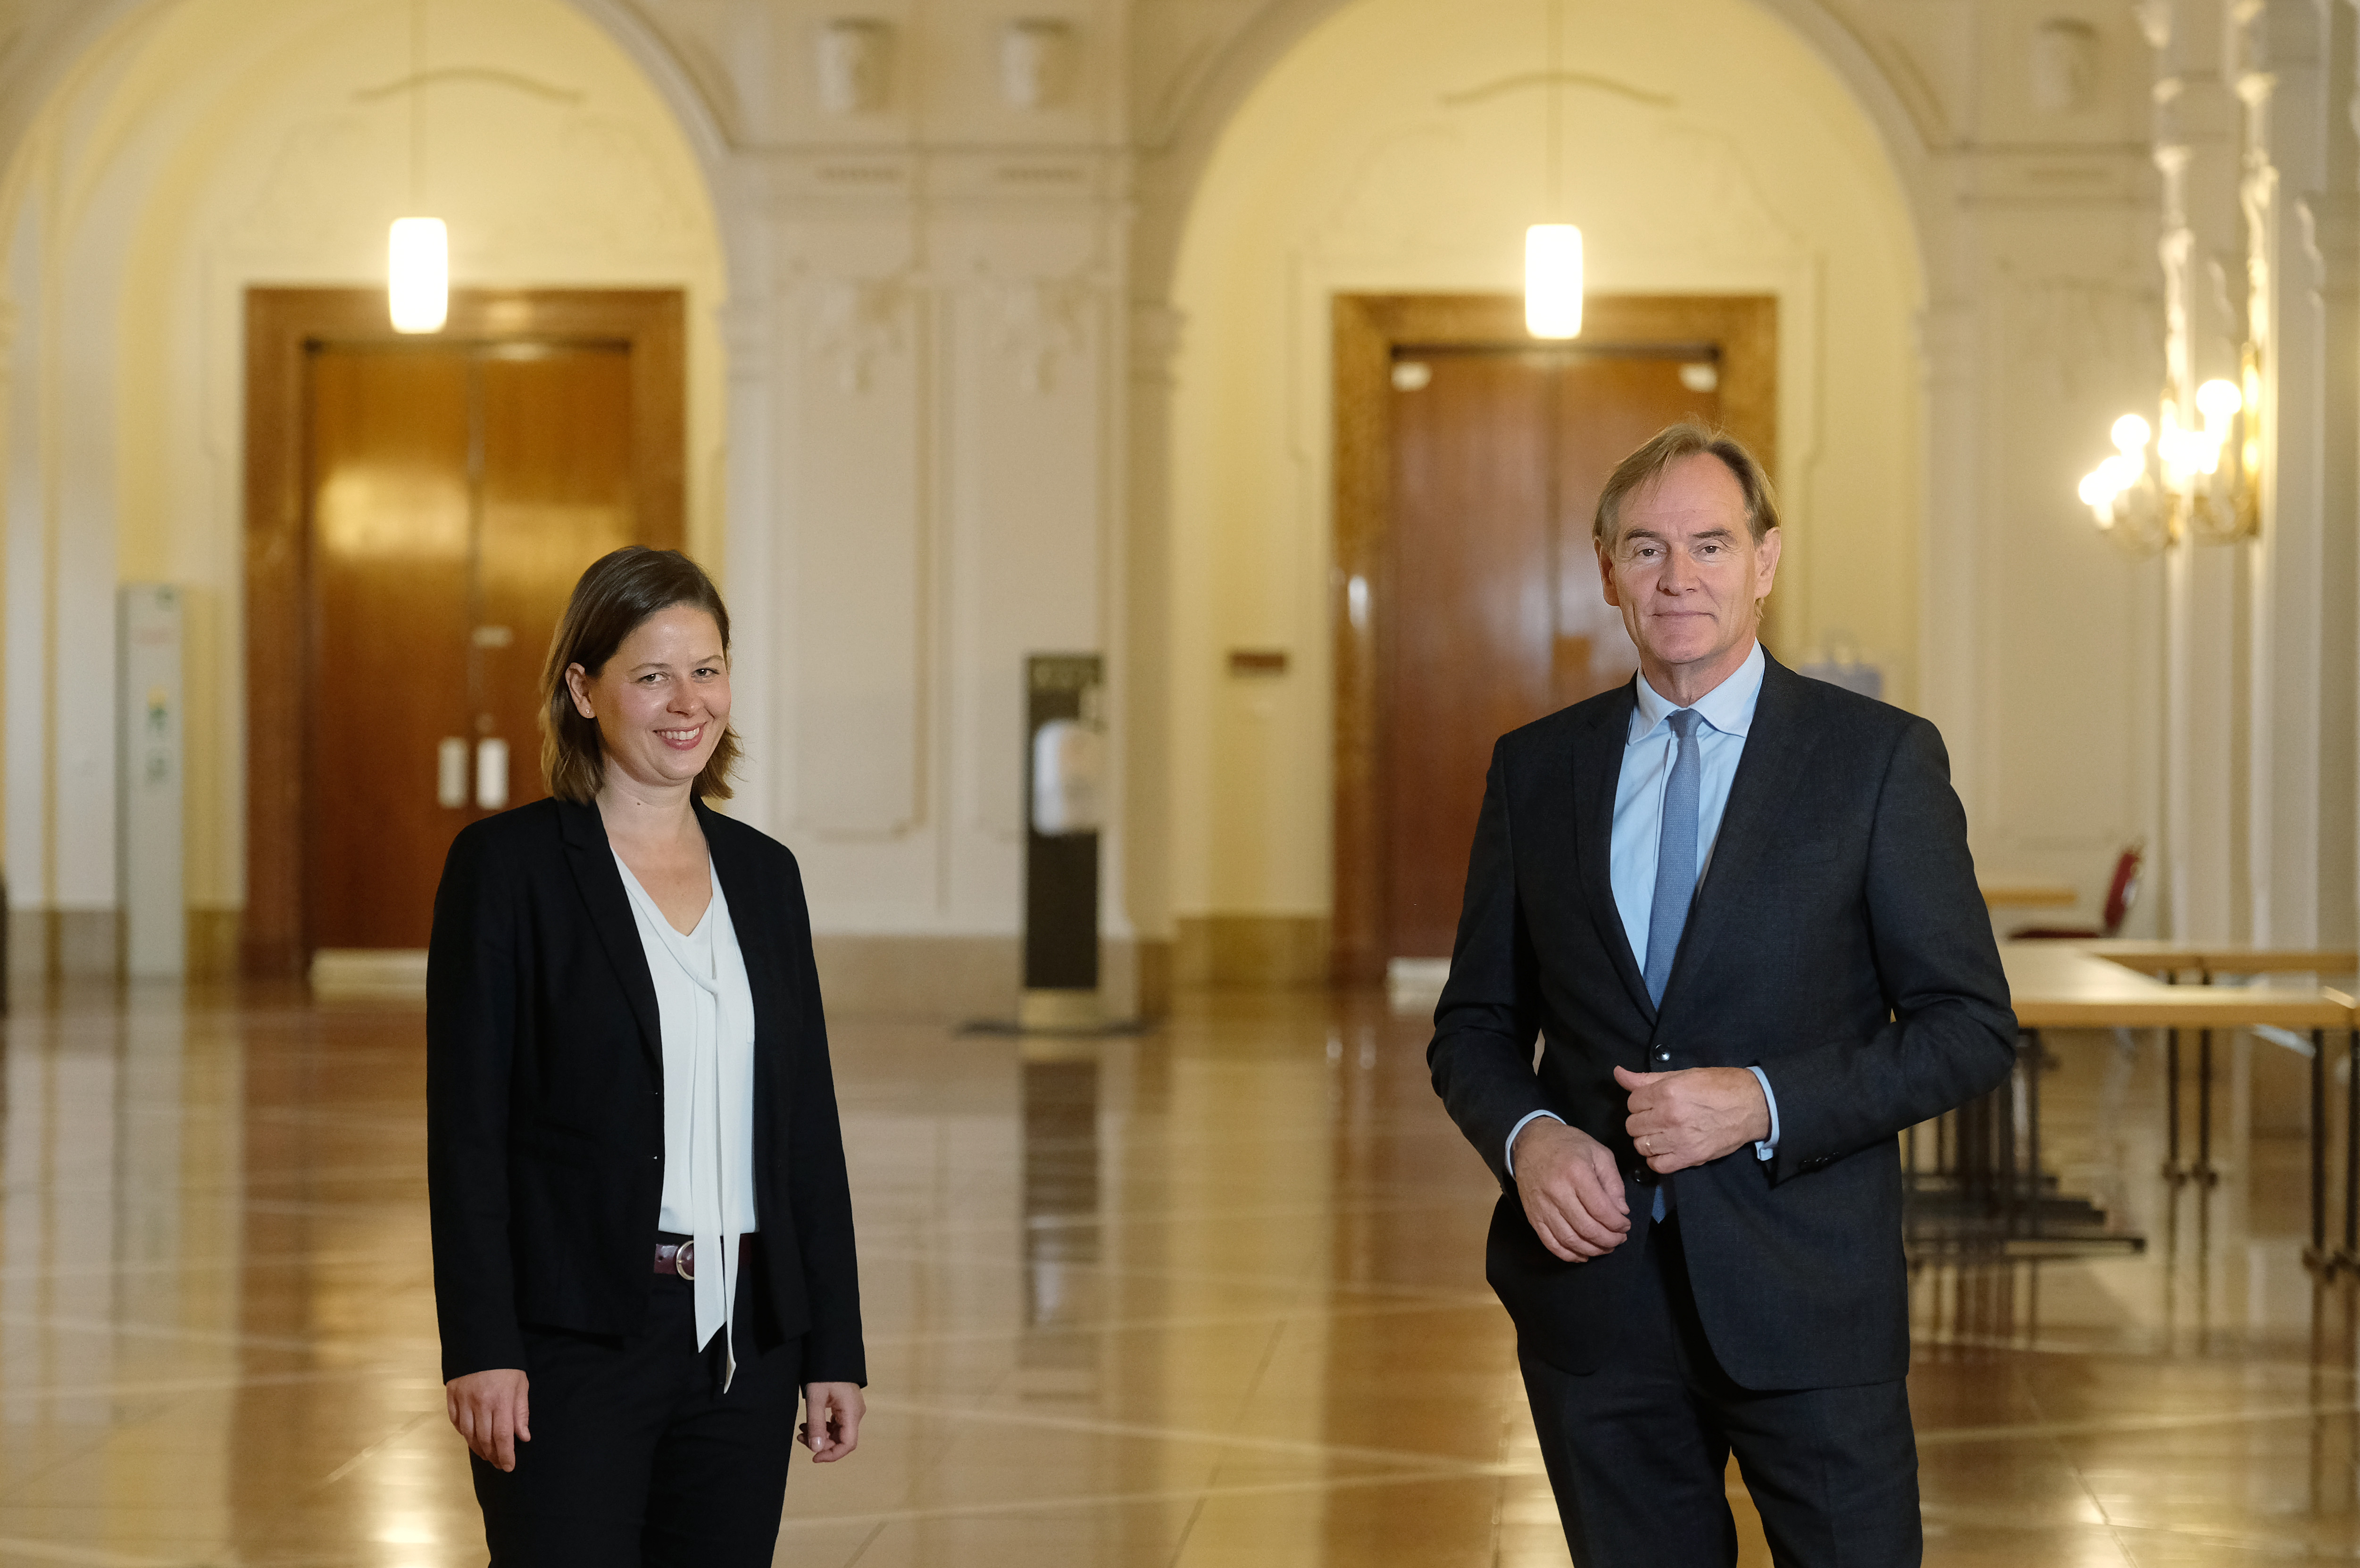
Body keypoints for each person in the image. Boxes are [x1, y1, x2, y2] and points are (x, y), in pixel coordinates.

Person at [1426, 424, 2015, 1566]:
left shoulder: (1877, 762)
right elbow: (1477, 1023)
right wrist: (1529, 1138)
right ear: (1606, 570)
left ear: (1766, 560)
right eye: (1646, 549)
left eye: (1709, 543)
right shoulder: (1535, 770)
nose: (1678, 577)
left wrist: (1762, 1101)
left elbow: (1969, 1027)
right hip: (1595, 1307)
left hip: (1810, 1302)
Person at [429, 546, 865, 1566]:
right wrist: (483, 1348)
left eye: (706, 670)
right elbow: (468, 1138)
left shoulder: (766, 878)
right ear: (583, 689)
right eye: (652, 674)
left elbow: (806, 1133)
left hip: (746, 1346)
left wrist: (832, 1347)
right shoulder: (507, 872)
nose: (687, 703)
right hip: (572, 1345)